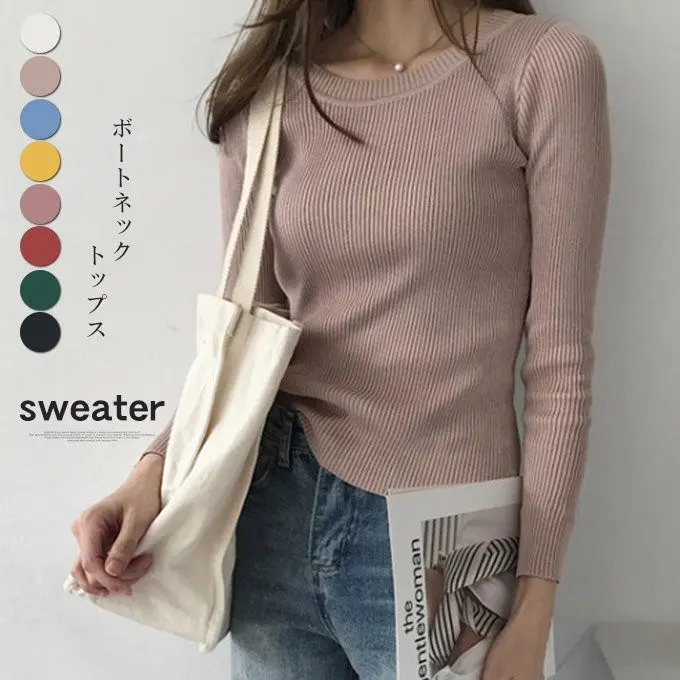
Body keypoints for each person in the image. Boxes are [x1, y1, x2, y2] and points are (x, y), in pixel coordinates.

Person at [68, 1, 611, 679]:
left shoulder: (543, 66)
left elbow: (560, 362)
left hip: (441, 532)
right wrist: (151, 474)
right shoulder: (270, 88)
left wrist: (535, 603)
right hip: (272, 512)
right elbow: (244, 344)